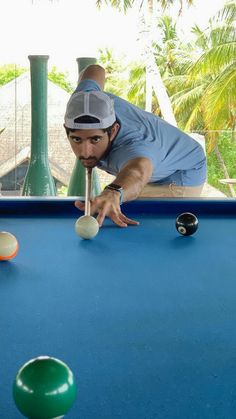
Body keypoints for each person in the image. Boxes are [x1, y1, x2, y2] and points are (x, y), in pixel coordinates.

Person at [64, 64, 206, 227]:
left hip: (181, 171)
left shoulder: (133, 145)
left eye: (95, 139)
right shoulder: (84, 99)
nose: (85, 152)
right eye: (76, 139)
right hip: (157, 155)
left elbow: (138, 171)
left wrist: (114, 192)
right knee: (112, 204)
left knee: (121, 205)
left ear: (113, 130)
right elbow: (95, 70)